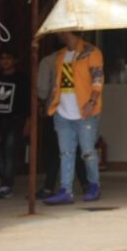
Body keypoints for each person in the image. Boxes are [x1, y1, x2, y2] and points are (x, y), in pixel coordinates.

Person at [44, 32, 104, 205]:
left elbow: (98, 79)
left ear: (69, 31)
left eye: (61, 30)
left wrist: (92, 102)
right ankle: (66, 190)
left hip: (85, 111)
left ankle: (94, 185)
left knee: (88, 152)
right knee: (65, 153)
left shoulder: (91, 51)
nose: (58, 33)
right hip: (62, 111)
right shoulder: (60, 55)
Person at [35, 47, 88, 199]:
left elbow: (42, 90)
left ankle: (49, 187)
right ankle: (86, 184)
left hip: (57, 109)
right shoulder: (83, 58)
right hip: (79, 109)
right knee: (77, 148)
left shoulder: (49, 61)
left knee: (55, 150)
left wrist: (41, 104)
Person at [0, 47, 30, 199]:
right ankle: (4, 181)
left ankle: (7, 184)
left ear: (15, 60)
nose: (5, 61)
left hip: (16, 119)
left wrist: (28, 122)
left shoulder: (22, 78)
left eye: (8, 58)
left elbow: (28, 101)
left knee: (10, 150)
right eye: (2, 58)